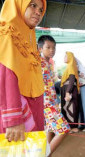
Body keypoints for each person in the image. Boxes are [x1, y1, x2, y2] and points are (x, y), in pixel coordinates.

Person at [0, 0, 46, 142]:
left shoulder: (29, 37)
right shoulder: (6, 35)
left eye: (41, 9)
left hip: (34, 109)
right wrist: (13, 120)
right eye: (33, 5)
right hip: (18, 116)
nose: (38, 12)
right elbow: (6, 77)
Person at [38, 35, 70, 155]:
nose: (52, 50)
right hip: (45, 103)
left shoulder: (49, 63)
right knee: (63, 129)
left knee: (50, 130)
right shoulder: (38, 62)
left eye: (54, 48)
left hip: (52, 102)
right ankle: (44, 154)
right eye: (48, 47)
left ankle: (47, 153)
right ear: (40, 48)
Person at [61, 52, 80, 133]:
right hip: (66, 89)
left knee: (71, 108)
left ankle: (73, 126)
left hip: (69, 89)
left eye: (66, 56)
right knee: (67, 107)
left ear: (70, 57)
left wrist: (68, 92)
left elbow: (72, 80)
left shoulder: (71, 66)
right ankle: (69, 126)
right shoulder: (68, 66)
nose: (64, 57)